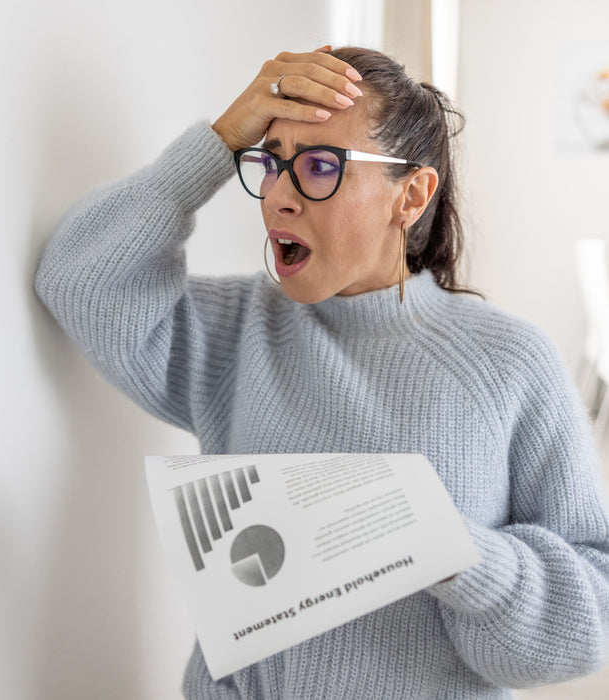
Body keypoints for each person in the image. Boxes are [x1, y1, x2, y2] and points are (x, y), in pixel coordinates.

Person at [35, 47, 609, 699]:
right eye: (271, 162)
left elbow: (590, 616)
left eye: (317, 167)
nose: (278, 196)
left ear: (411, 195)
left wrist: (455, 551)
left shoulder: (510, 363)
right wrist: (221, 141)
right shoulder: (237, 331)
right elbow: (79, 281)